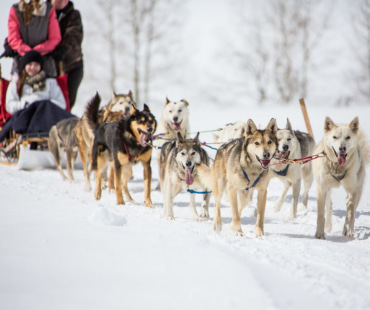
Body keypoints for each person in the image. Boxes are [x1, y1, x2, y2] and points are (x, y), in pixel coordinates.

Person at [0, 50, 73, 145]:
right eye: (30, 64)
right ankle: (32, 138)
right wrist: (25, 104)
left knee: (43, 105)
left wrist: (43, 105)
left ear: (41, 66)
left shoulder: (50, 83)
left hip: (48, 117)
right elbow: (10, 105)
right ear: (24, 66)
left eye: (36, 65)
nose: (33, 68)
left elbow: (61, 104)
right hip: (25, 116)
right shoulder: (16, 83)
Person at [7, 0, 61, 77]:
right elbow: (13, 37)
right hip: (21, 63)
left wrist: (36, 53)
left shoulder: (48, 9)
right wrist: (28, 53)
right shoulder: (16, 9)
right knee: (17, 87)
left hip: (45, 63)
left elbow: (55, 38)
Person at [51, 0, 83, 110]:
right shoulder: (41, 15)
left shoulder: (73, 15)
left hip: (71, 65)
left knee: (66, 104)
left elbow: (74, 36)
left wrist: (64, 48)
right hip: (47, 67)